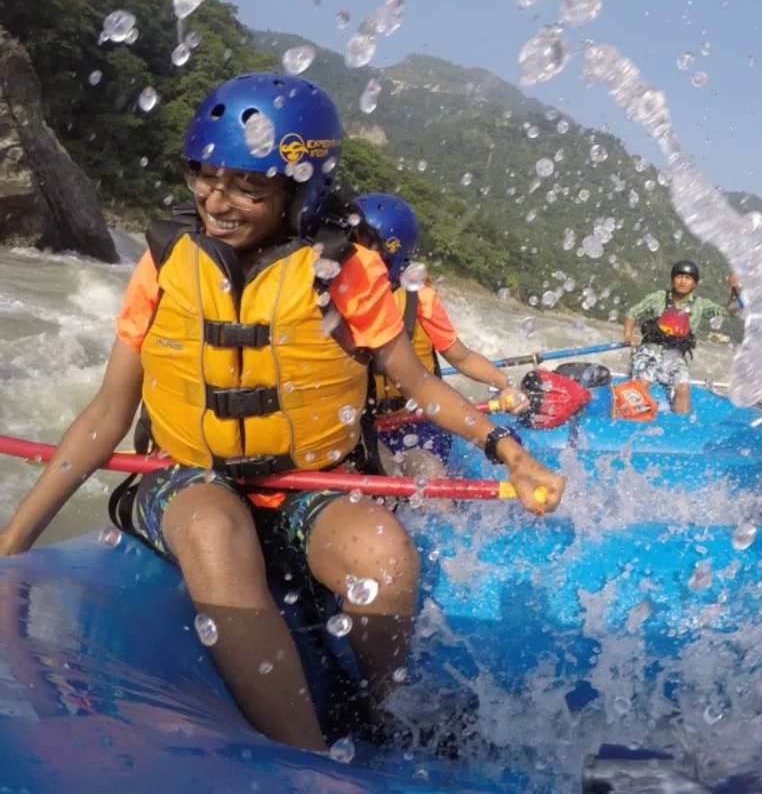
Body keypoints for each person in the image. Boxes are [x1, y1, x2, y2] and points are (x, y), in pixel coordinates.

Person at [0, 73, 565, 753]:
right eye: (205, 177)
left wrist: (511, 451)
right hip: (185, 481)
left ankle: (381, 714)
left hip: (306, 486)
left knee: (382, 553)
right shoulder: (165, 262)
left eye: (247, 187)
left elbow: (421, 384)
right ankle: (309, 761)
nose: (217, 200)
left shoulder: (345, 270)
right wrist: (11, 549)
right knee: (212, 524)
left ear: (300, 192)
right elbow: (105, 414)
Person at [348, 192, 529, 478]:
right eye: (350, 241)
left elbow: (462, 356)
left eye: (363, 244)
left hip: (416, 423)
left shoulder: (421, 299)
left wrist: (505, 384)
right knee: (377, 471)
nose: (352, 253)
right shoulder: (333, 295)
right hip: (363, 425)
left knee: (427, 471)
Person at [621, 260, 741, 414]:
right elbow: (631, 314)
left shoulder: (700, 305)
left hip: (675, 357)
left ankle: (681, 426)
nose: (683, 281)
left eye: (688, 278)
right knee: (642, 383)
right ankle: (628, 417)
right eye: (679, 277)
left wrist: (734, 290)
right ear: (673, 279)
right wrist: (628, 336)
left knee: (683, 388)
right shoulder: (658, 298)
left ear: (694, 284)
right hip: (649, 352)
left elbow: (728, 311)